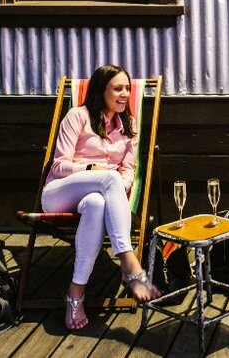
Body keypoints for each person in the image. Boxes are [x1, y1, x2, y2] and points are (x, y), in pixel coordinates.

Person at [42, 64, 160, 331]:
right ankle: (129, 262)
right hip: (60, 192)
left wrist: (120, 183)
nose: (124, 94)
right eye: (117, 88)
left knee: (97, 202)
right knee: (109, 177)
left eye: (128, 88)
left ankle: (75, 292)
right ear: (100, 90)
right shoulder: (77, 116)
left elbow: (128, 170)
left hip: (97, 197)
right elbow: (58, 165)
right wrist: (91, 170)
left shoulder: (129, 125)